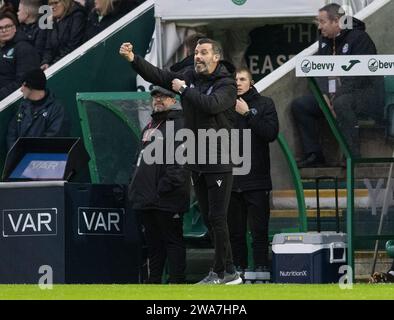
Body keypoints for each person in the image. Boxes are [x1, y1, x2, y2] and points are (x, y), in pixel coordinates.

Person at [119, 38, 242, 285]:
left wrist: (184, 89)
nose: (198, 56)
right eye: (196, 52)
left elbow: (211, 105)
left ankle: (220, 273)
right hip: (197, 161)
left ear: (215, 57)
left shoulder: (227, 85)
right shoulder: (190, 77)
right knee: (209, 219)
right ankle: (229, 271)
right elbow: (161, 76)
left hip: (218, 158)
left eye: (203, 52)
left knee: (218, 218)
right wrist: (134, 60)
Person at [291, 3, 384, 167]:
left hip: (365, 95)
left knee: (342, 103)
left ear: (337, 21)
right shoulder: (324, 41)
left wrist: (335, 97)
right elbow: (321, 72)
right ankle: (315, 155)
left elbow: (361, 76)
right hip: (335, 95)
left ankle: (352, 156)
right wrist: (325, 96)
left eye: (322, 22)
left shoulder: (360, 38)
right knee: (301, 105)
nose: (320, 27)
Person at [128, 86, 189, 284]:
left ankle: (176, 283)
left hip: (167, 196)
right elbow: (139, 159)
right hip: (147, 197)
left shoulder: (179, 124)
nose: (158, 100)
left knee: (172, 241)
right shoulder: (150, 125)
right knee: (154, 244)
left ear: (174, 100)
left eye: (164, 96)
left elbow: (180, 164)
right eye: (155, 97)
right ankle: (154, 283)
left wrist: (162, 188)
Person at [227, 68, 279, 274]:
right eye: (235, 80)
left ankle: (261, 270)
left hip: (256, 179)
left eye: (242, 79)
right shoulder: (224, 106)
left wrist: (248, 114)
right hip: (231, 180)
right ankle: (238, 271)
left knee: (259, 231)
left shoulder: (265, 104)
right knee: (235, 232)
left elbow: (270, 133)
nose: (238, 83)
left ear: (251, 82)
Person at [6, 68, 69, 150]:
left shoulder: (57, 109)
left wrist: (29, 153)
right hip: (21, 158)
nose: (21, 89)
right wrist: (16, 153)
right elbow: (12, 132)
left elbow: (54, 138)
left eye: (23, 85)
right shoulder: (23, 106)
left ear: (32, 87)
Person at [0, 6, 40, 101]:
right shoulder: (3, 47)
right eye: (0, 28)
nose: (4, 31)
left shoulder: (24, 48)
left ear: (15, 28)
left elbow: (22, 82)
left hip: (14, 102)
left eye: (8, 26)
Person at [40, 0, 86, 69]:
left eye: (56, 3)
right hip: (55, 65)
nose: (52, 7)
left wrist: (53, 65)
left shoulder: (77, 16)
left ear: (65, 2)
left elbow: (73, 46)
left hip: (73, 65)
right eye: (50, 4)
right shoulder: (52, 19)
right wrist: (46, 62)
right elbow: (48, 47)